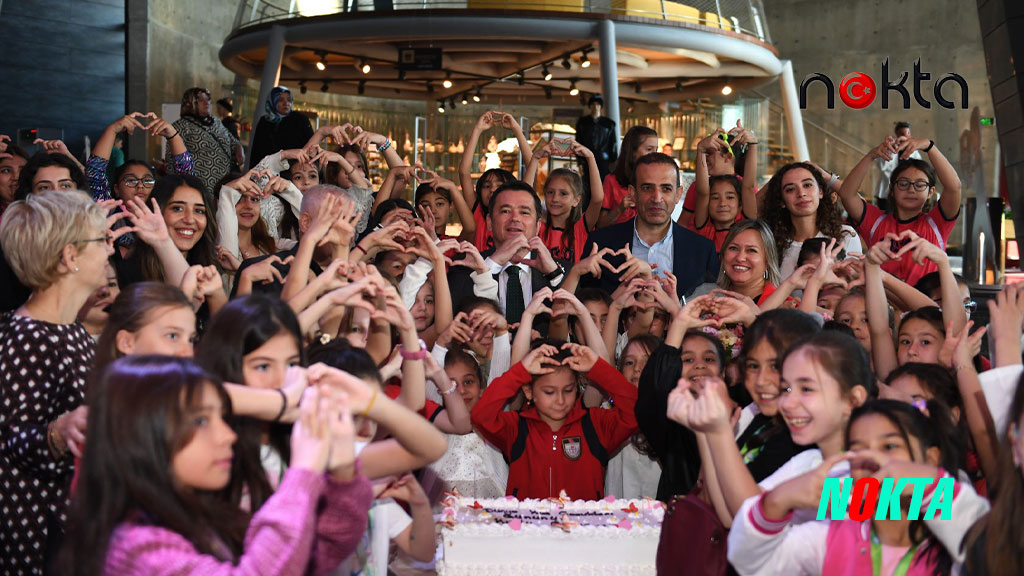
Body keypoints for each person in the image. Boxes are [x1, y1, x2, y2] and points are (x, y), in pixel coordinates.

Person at [56, 356, 373, 576]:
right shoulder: (136, 548)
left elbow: (316, 553)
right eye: (202, 420)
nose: (227, 434)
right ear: (143, 434)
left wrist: (343, 468)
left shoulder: (203, 512)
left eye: (221, 417)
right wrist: (302, 473)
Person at [729, 399, 990, 575]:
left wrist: (930, 484)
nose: (871, 459)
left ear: (931, 459)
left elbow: (993, 551)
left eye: (889, 447)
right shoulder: (833, 534)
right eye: (857, 450)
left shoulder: (951, 530)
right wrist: (776, 502)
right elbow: (752, 563)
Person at [0, 190, 119, 575]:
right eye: (101, 242)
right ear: (69, 258)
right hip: (39, 541)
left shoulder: (67, 329)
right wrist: (57, 431)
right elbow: (12, 440)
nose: (110, 251)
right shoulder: (30, 336)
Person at [471, 341, 639, 499]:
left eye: (568, 390)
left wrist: (599, 368)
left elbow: (636, 412)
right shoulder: (516, 427)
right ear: (529, 392)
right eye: (549, 392)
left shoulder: (595, 425)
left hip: (583, 528)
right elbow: (481, 415)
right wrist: (519, 372)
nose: (560, 400)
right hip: (527, 528)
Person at [584, 152, 719, 300]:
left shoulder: (703, 251)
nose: (656, 198)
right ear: (633, 193)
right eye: (647, 188)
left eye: (666, 189)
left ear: (678, 195)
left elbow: (709, 314)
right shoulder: (601, 244)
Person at [839, 134, 962, 286]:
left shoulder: (937, 222)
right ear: (891, 189)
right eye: (903, 183)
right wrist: (871, 156)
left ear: (930, 192)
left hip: (926, 306)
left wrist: (929, 146)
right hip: (883, 305)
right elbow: (846, 194)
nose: (911, 189)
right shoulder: (876, 221)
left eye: (920, 184)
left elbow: (954, 187)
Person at [761, 161, 862, 279]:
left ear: (820, 192)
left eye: (807, 185)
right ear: (782, 201)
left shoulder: (845, 236)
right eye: (790, 189)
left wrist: (828, 177)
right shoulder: (771, 243)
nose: (801, 193)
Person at [523, 139, 604, 263]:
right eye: (550, 192)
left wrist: (590, 157)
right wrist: (535, 157)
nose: (555, 198)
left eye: (563, 194)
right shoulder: (539, 226)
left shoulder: (580, 228)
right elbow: (524, 196)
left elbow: (598, 199)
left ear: (576, 200)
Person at [687, 128, 759, 250]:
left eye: (730, 197)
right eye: (715, 197)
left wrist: (753, 145)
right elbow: (702, 192)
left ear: (741, 205)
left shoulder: (746, 225)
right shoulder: (704, 228)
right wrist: (700, 151)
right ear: (707, 204)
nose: (722, 203)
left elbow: (749, 187)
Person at [170, 87, 243, 198]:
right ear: (190, 103)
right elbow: (173, 161)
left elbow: (234, 142)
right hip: (201, 190)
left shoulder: (215, 121)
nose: (207, 103)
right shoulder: (181, 126)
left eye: (208, 99)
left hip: (225, 189)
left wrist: (239, 150)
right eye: (201, 100)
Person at [689, 219, 781, 305]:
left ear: (768, 261)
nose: (740, 258)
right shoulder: (705, 294)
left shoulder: (785, 305)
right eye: (733, 248)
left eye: (751, 250)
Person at [598, 126, 658, 227]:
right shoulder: (612, 180)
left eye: (656, 150)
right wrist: (620, 209)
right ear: (633, 151)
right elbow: (600, 224)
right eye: (649, 149)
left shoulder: (657, 180)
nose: (655, 155)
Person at [250, 87, 314, 169]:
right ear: (273, 101)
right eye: (280, 100)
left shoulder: (300, 119)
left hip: (294, 169)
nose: (286, 103)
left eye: (289, 99)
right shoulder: (265, 121)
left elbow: (311, 146)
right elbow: (257, 150)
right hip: (269, 169)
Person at [574, 94, 617, 193]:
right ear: (589, 106)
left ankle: (603, 207)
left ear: (601, 106)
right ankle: (588, 207)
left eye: (598, 105)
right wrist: (580, 161)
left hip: (604, 159)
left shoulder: (609, 124)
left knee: (604, 185)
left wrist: (613, 161)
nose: (595, 107)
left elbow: (613, 144)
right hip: (586, 159)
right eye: (593, 104)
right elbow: (578, 142)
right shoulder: (583, 123)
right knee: (587, 186)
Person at [874, 121, 921, 211]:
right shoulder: (887, 148)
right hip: (886, 194)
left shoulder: (914, 152)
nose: (906, 136)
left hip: (907, 194)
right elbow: (882, 167)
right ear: (896, 135)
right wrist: (894, 150)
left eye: (908, 133)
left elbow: (918, 169)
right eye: (903, 134)